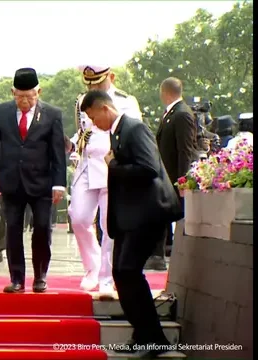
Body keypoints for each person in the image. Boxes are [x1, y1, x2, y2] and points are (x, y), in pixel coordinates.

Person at [80, 90, 182, 358]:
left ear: (104, 108)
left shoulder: (134, 128)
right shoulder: (117, 131)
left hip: (147, 214)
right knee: (121, 274)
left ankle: (155, 339)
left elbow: (148, 169)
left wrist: (113, 165)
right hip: (130, 216)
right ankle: (143, 334)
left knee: (128, 271)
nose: (93, 124)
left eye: (93, 117)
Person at [0, 67, 66, 293]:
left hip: (42, 183)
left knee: (41, 228)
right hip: (11, 182)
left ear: (39, 92)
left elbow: (58, 153)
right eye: (20, 96)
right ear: (12, 92)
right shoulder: (2, 112)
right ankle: (17, 278)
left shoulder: (52, 114)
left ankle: (40, 276)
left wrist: (59, 183)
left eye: (30, 96)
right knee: (13, 229)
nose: (25, 101)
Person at [67, 65, 142, 293]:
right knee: (78, 217)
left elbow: (133, 133)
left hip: (112, 165)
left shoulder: (126, 101)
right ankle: (92, 266)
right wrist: (72, 145)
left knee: (109, 226)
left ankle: (107, 277)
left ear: (110, 77)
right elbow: (83, 131)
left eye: (97, 82)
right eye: (88, 83)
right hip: (87, 165)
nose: (92, 87)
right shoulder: (82, 101)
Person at [151, 77, 197, 271]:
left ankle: (160, 255)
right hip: (166, 176)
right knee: (161, 214)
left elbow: (185, 150)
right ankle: (159, 253)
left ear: (165, 92)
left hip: (174, 177)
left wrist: (182, 180)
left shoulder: (182, 114)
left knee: (170, 215)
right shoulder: (171, 113)